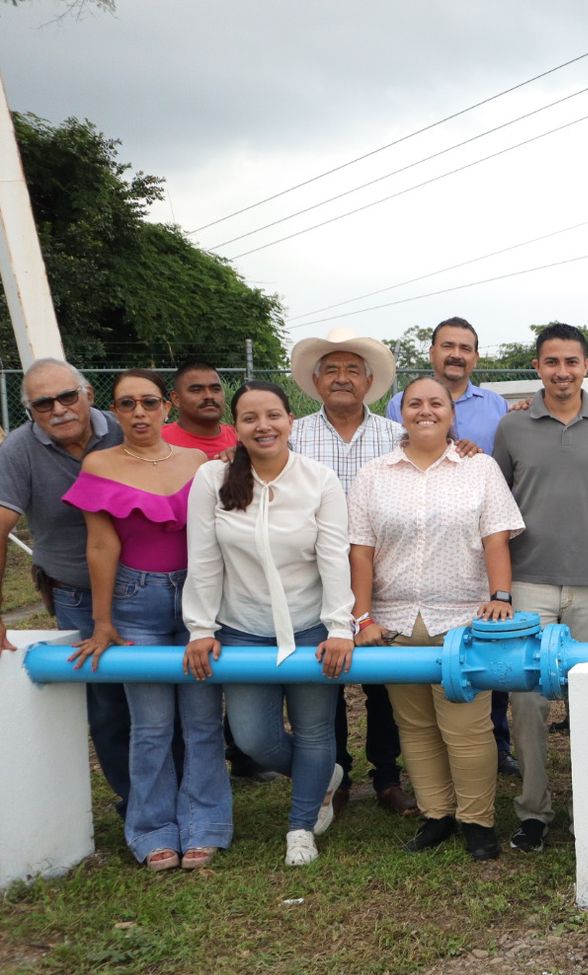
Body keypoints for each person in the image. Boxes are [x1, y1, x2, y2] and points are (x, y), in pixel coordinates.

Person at [352, 377, 525, 861]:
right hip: (395, 620)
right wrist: (362, 618)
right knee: (415, 727)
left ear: (451, 414)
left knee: (467, 726)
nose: (424, 411)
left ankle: (477, 820)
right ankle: (436, 814)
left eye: (435, 403)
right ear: (400, 413)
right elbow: (361, 551)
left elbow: (496, 538)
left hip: (462, 621)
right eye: (414, 403)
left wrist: (501, 596)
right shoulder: (374, 474)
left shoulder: (479, 468)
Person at [181, 382, 352, 866]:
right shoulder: (212, 478)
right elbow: (203, 558)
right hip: (242, 628)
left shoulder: (319, 479)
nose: (263, 426)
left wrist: (340, 627)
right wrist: (200, 628)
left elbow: (333, 557)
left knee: (315, 731)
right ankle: (324, 775)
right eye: (250, 417)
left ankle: (300, 827)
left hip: (310, 627)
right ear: (235, 426)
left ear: (290, 421)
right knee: (253, 737)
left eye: (273, 415)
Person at [64, 370, 230, 872]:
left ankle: (205, 825)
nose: (139, 413)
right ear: (113, 410)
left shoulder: (198, 462)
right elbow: (101, 545)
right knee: (151, 725)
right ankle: (152, 828)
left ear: (166, 407)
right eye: (127, 404)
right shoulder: (100, 463)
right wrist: (101, 621)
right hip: (136, 602)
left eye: (149, 402)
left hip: (198, 599)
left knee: (202, 721)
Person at [494, 322, 588, 854]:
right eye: (552, 362)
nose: (562, 371)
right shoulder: (512, 427)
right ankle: (533, 810)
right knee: (527, 701)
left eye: (572, 362)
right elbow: (496, 500)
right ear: (537, 367)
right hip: (528, 579)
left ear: (586, 366)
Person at [288, 326, 417, 819]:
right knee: (325, 675)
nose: (342, 378)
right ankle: (335, 771)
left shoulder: (395, 436)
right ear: (316, 381)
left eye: (352, 371)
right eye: (331, 370)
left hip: (381, 576)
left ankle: (387, 775)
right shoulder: (292, 436)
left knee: (382, 680)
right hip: (310, 577)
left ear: (368, 381)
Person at [383, 316, 517, 777]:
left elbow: (501, 477)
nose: (456, 354)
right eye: (447, 345)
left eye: (465, 347)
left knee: (481, 687)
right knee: (410, 712)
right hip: (405, 552)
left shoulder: (496, 406)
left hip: (470, 556)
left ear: (476, 356)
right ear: (432, 352)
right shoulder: (396, 403)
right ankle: (403, 777)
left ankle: (497, 750)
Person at [0, 359, 132, 811]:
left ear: (88, 394)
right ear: (30, 411)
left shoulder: (123, 427)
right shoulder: (19, 450)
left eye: (67, 396)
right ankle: (134, 800)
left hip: (143, 587)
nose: (58, 409)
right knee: (108, 704)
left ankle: (174, 793)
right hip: (75, 591)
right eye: (43, 404)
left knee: (164, 694)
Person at [162, 359, 237, 459]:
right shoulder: (156, 441)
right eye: (196, 390)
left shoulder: (243, 440)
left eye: (216, 389)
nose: (209, 396)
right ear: (176, 399)